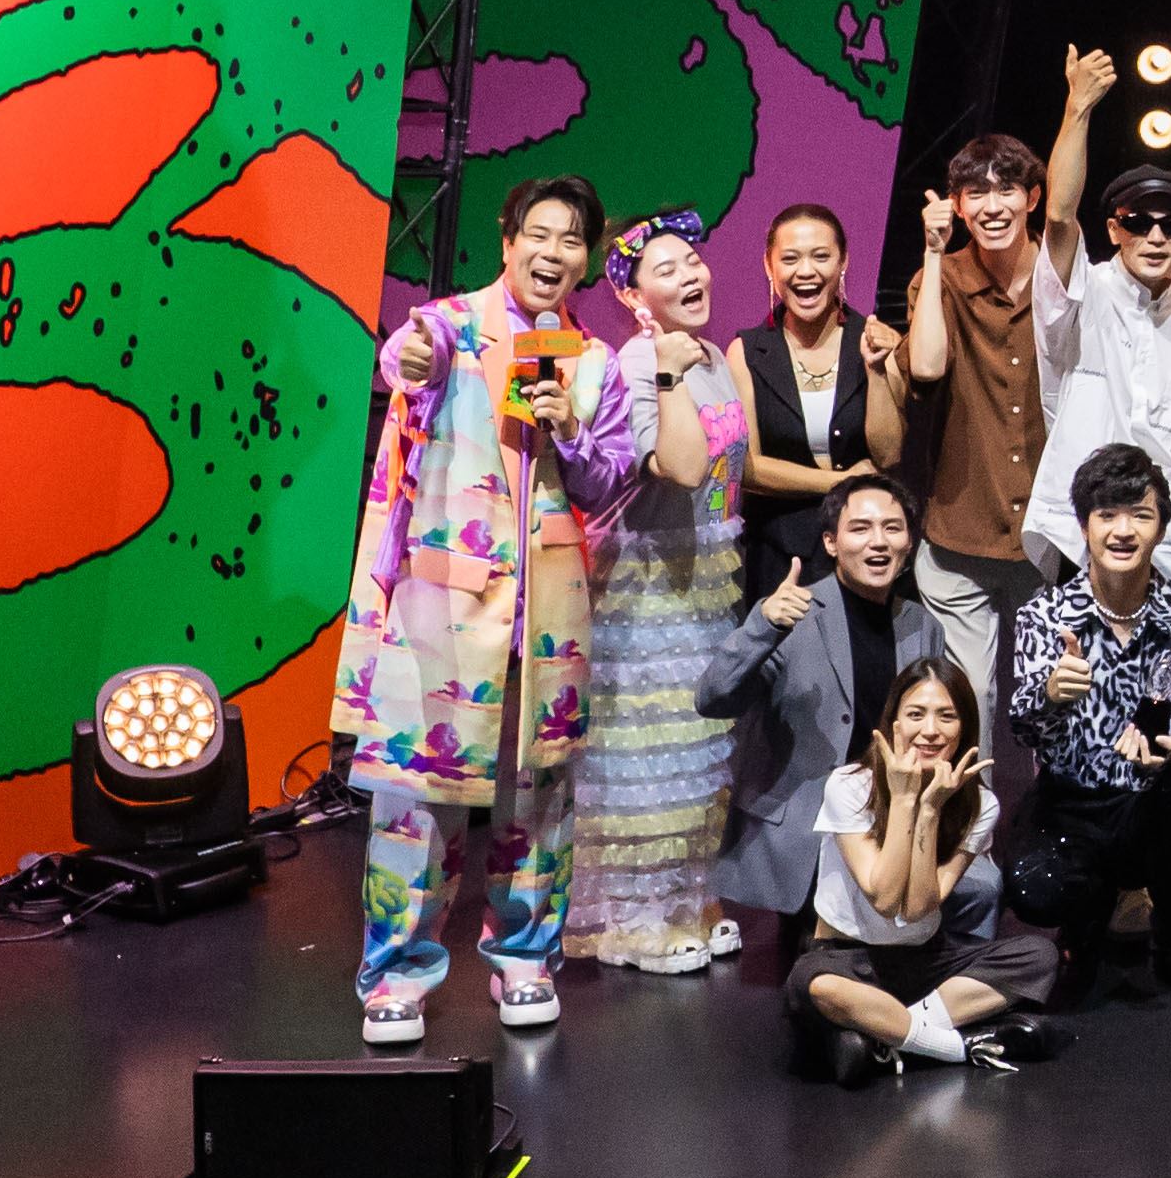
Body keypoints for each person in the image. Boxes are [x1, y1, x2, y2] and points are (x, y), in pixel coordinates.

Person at [339, 172, 655, 1044]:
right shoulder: (451, 323)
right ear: (508, 241)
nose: (553, 254)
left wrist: (568, 427)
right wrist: (405, 363)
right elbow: (410, 356)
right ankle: (395, 975)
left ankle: (524, 957)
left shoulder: (590, 363)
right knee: (418, 795)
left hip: (544, 616)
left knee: (539, 796)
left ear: (587, 259)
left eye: (571, 240)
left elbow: (605, 482)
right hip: (444, 607)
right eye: (538, 235)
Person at [704, 467, 998, 952]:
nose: (878, 542)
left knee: (981, 889)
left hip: (895, 812)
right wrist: (763, 626)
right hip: (809, 826)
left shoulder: (922, 625)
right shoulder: (792, 613)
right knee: (830, 958)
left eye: (892, 528)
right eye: (860, 528)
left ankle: (942, 986)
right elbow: (713, 698)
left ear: (909, 542)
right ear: (831, 542)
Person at [1000, 444, 1171, 1006]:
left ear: (1160, 528)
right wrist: (1050, 696)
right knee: (1034, 888)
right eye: (1107, 514)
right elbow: (1025, 730)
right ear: (1084, 527)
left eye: (1140, 514)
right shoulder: (1045, 616)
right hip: (1076, 802)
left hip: (1157, 803)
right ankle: (1082, 934)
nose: (1122, 530)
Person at [571, 210, 750, 974]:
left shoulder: (710, 353)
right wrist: (667, 371)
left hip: (707, 581)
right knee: (644, 754)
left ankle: (685, 896)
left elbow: (733, 473)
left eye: (693, 260)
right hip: (646, 589)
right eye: (666, 269)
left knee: (697, 749)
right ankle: (632, 919)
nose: (690, 274)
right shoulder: (637, 364)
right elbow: (679, 466)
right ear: (632, 295)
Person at [900, 53, 1105, 629]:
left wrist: (1077, 107)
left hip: (1048, 530)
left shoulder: (1058, 277)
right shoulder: (940, 278)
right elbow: (927, 367)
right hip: (960, 532)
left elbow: (1064, 213)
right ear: (957, 205)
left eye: (1008, 190)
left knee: (1043, 682)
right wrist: (933, 254)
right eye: (975, 194)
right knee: (965, 686)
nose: (992, 207)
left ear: (1030, 198)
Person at [783, 658, 1058, 1080]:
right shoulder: (849, 784)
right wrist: (904, 799)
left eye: (947, 716)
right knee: (819, 987)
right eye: (916, 714)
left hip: (925, 959)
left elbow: (916, 909)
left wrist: (929, 810)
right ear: (893, 723)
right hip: (846, 958)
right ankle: (955, 1046)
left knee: (1037, 956)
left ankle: (885, 1037)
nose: (930, 730)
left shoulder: (980, 804)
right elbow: (885, 898)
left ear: (964, 728)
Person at [1016, 161, 1171, 598]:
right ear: (1113, 230)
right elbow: (1059, 217)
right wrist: (1079, 119)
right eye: (1138, 223)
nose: (1155, 237)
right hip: (1081, 535)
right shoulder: (1082, 293)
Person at [732, 199, 905, 604]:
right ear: (769, 266)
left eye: (821, 256)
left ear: (843, 262)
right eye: (790, 258)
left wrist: (878, 371)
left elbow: (889, 453)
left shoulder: (875, 339)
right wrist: (838, 482)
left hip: (867, 552)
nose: (806, 271)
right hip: (780, 557)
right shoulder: (747, 352)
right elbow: (749, 468)